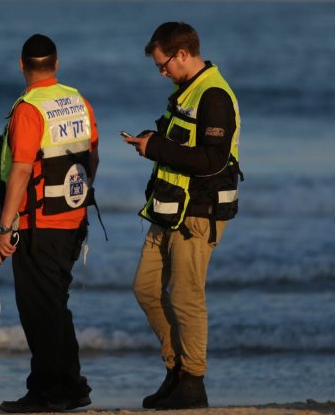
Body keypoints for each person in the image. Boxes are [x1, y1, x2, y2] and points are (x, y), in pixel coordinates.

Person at [123, 22, 243, 409]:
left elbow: (212, 160)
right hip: (168, 209)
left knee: (187, 297)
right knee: (146, 288)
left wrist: (155, 147)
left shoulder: (214, 96)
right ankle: (177, 370)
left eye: (163, 65)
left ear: (183, 55)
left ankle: (193, 381)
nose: (161, 72)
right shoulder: (186, 92)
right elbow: (180, 143)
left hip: (198, 213)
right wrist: (151, 140)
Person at [0, 34, 98, 413]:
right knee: (54, 306)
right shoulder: (77, 100)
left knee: (39, 310)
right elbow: (91, 156)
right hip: (73, 219)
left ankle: (49, 393)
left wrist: (5, 229)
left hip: (39, 224)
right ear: (57, 63)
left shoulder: (29, 109)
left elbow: (20, 171)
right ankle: (69, 386)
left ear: (22, 65)